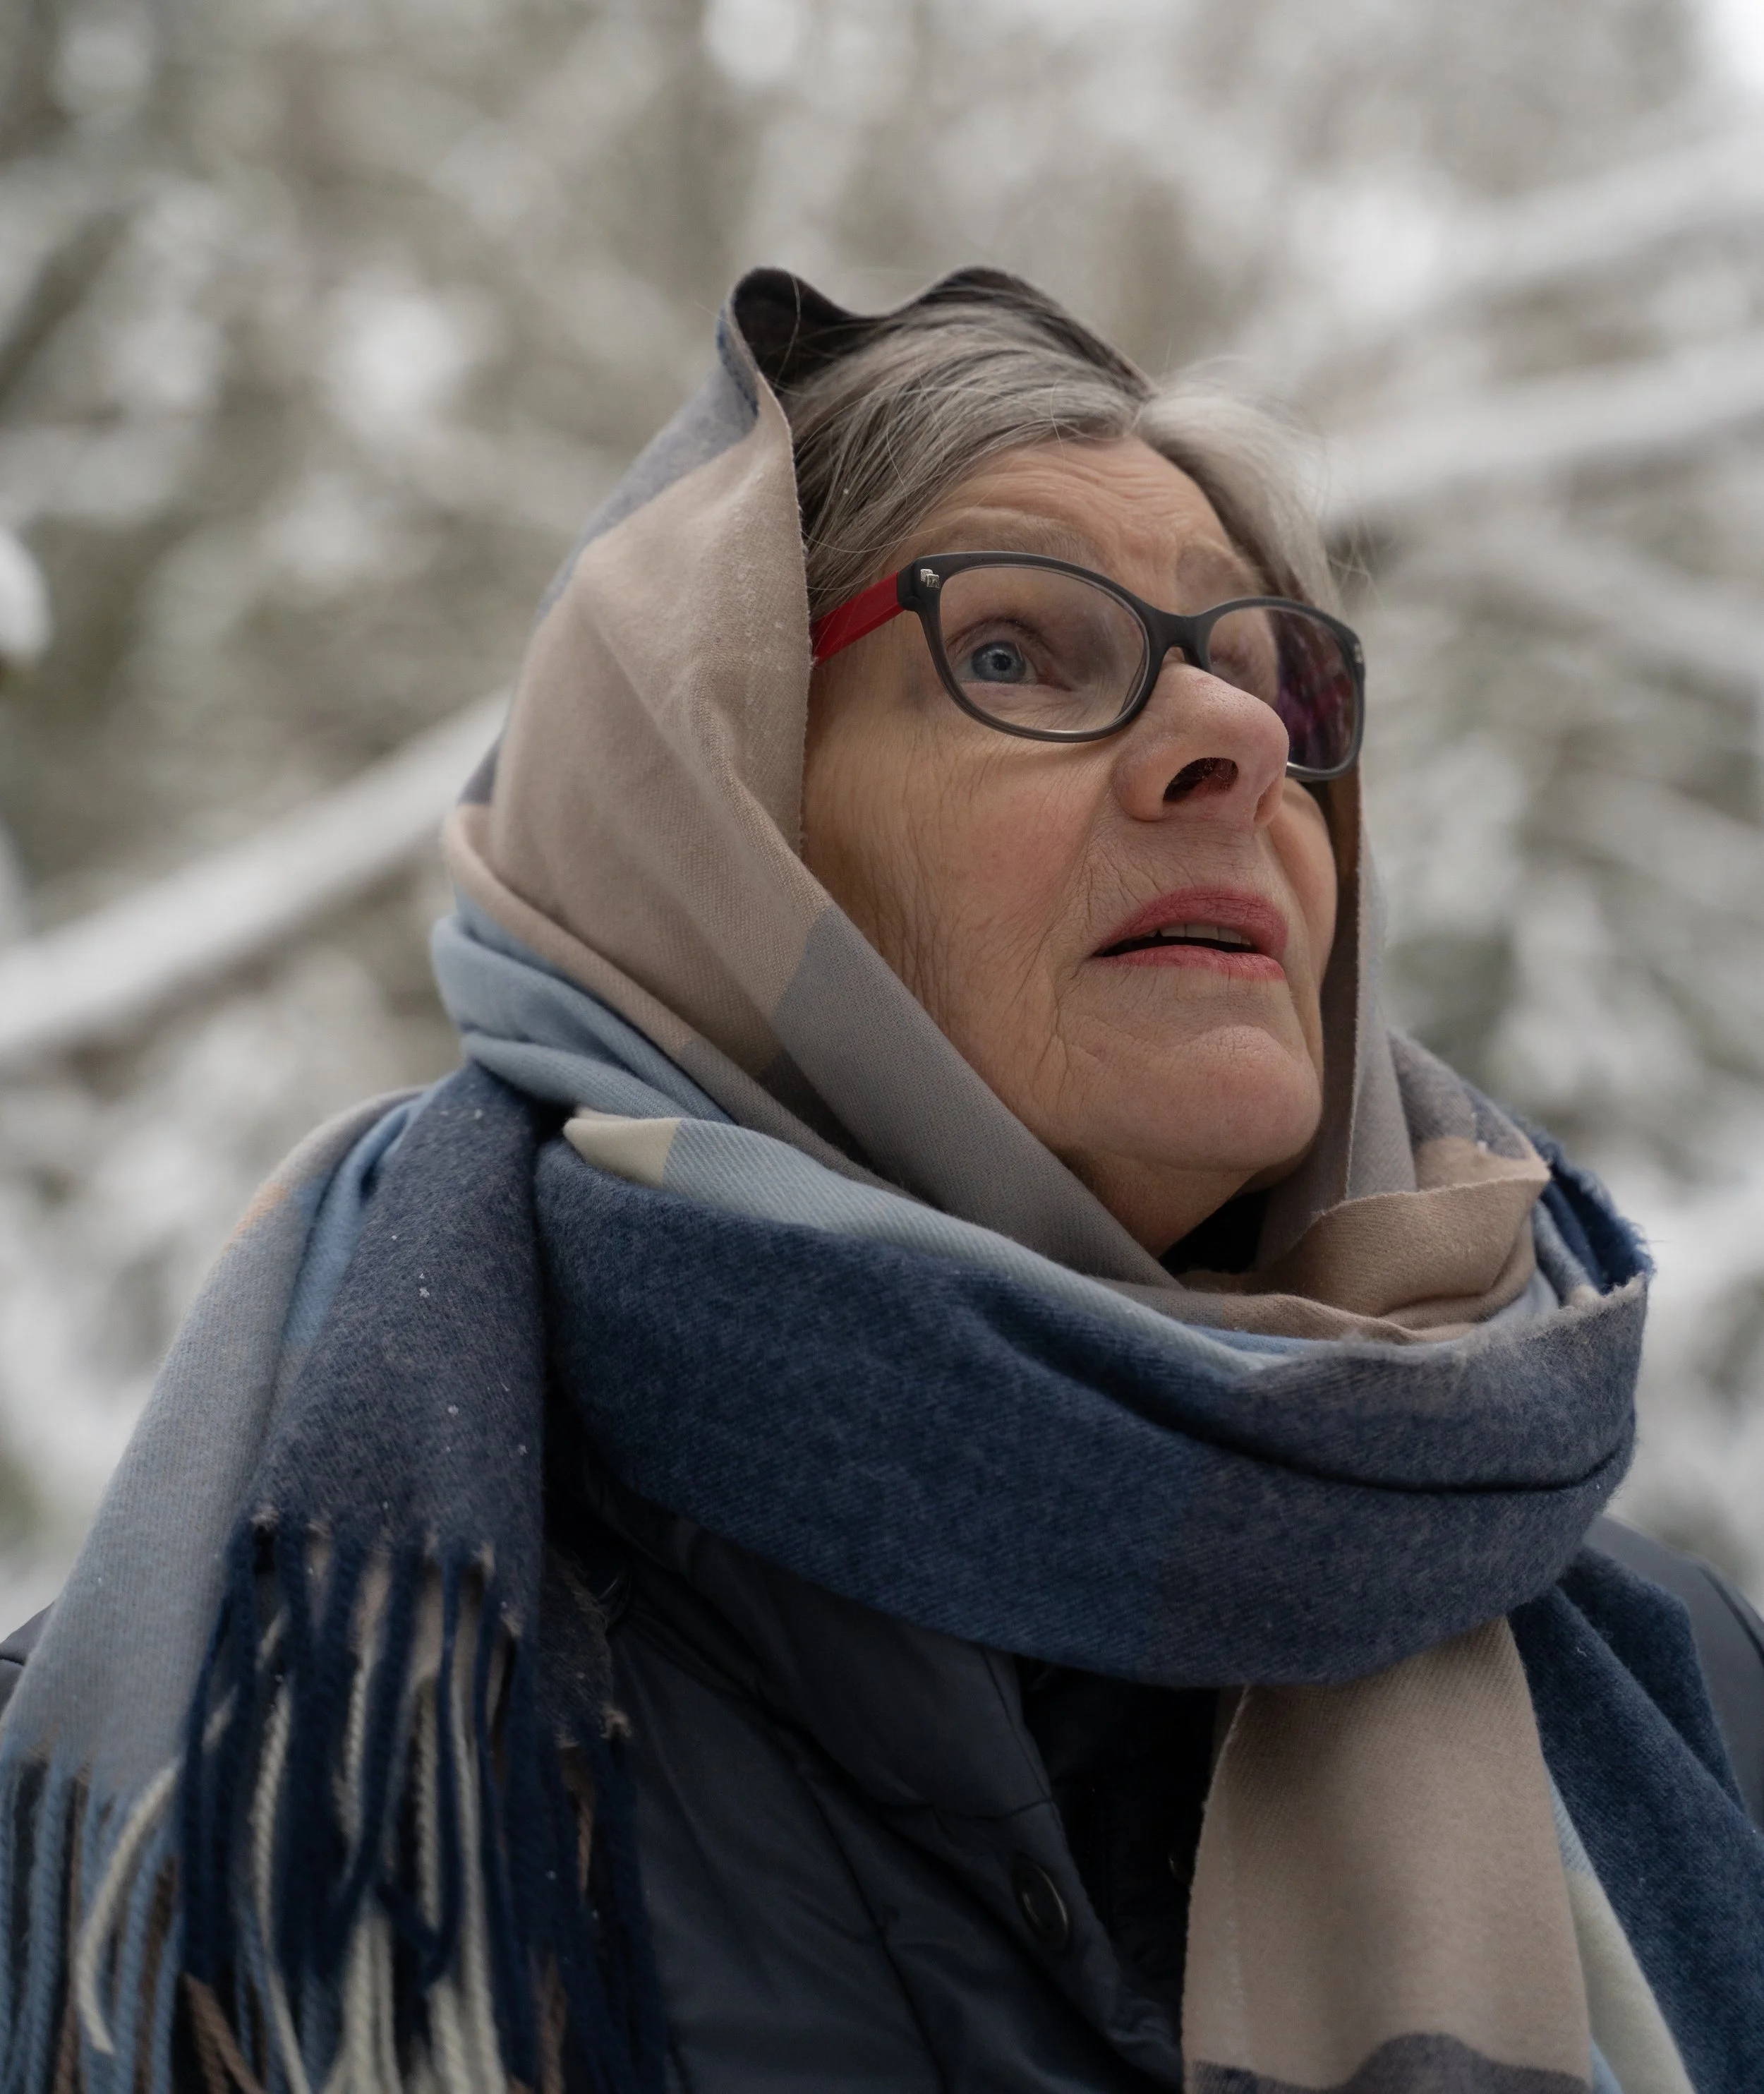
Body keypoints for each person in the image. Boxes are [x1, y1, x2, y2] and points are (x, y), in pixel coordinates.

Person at [2, 267, 1761, 2094]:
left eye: (1268, 675)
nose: (1238, 741)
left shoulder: (1690, 1702)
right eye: (1013, 652)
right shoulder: (285, 1746)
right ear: (709, 840)